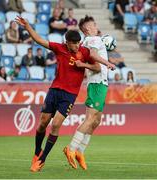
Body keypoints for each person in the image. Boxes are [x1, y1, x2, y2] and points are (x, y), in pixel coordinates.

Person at [15, 16, 115, 172]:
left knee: (55, 125)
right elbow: (40, 41)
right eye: (73, 43)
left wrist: (89, 64)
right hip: (54, 90)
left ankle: (41, 160)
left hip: (69, 96)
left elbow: (96, 66)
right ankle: (37, 152)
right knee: (43, 123)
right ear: (66, 42)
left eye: (77, 43)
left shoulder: (84, 51)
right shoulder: (59, 48)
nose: (76, 46)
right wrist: (27, 26)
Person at [63, 15, 115, 170]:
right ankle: (71, 149)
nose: (95, 26)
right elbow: (92, 55)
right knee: (90, 119)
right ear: (87, 29)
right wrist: (107, 63)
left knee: (96, 121)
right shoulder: (93, 39)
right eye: (93, 25)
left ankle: (80, 152)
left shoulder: (91, 40)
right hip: (97, 83)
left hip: (100, 82)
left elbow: (90, 58)